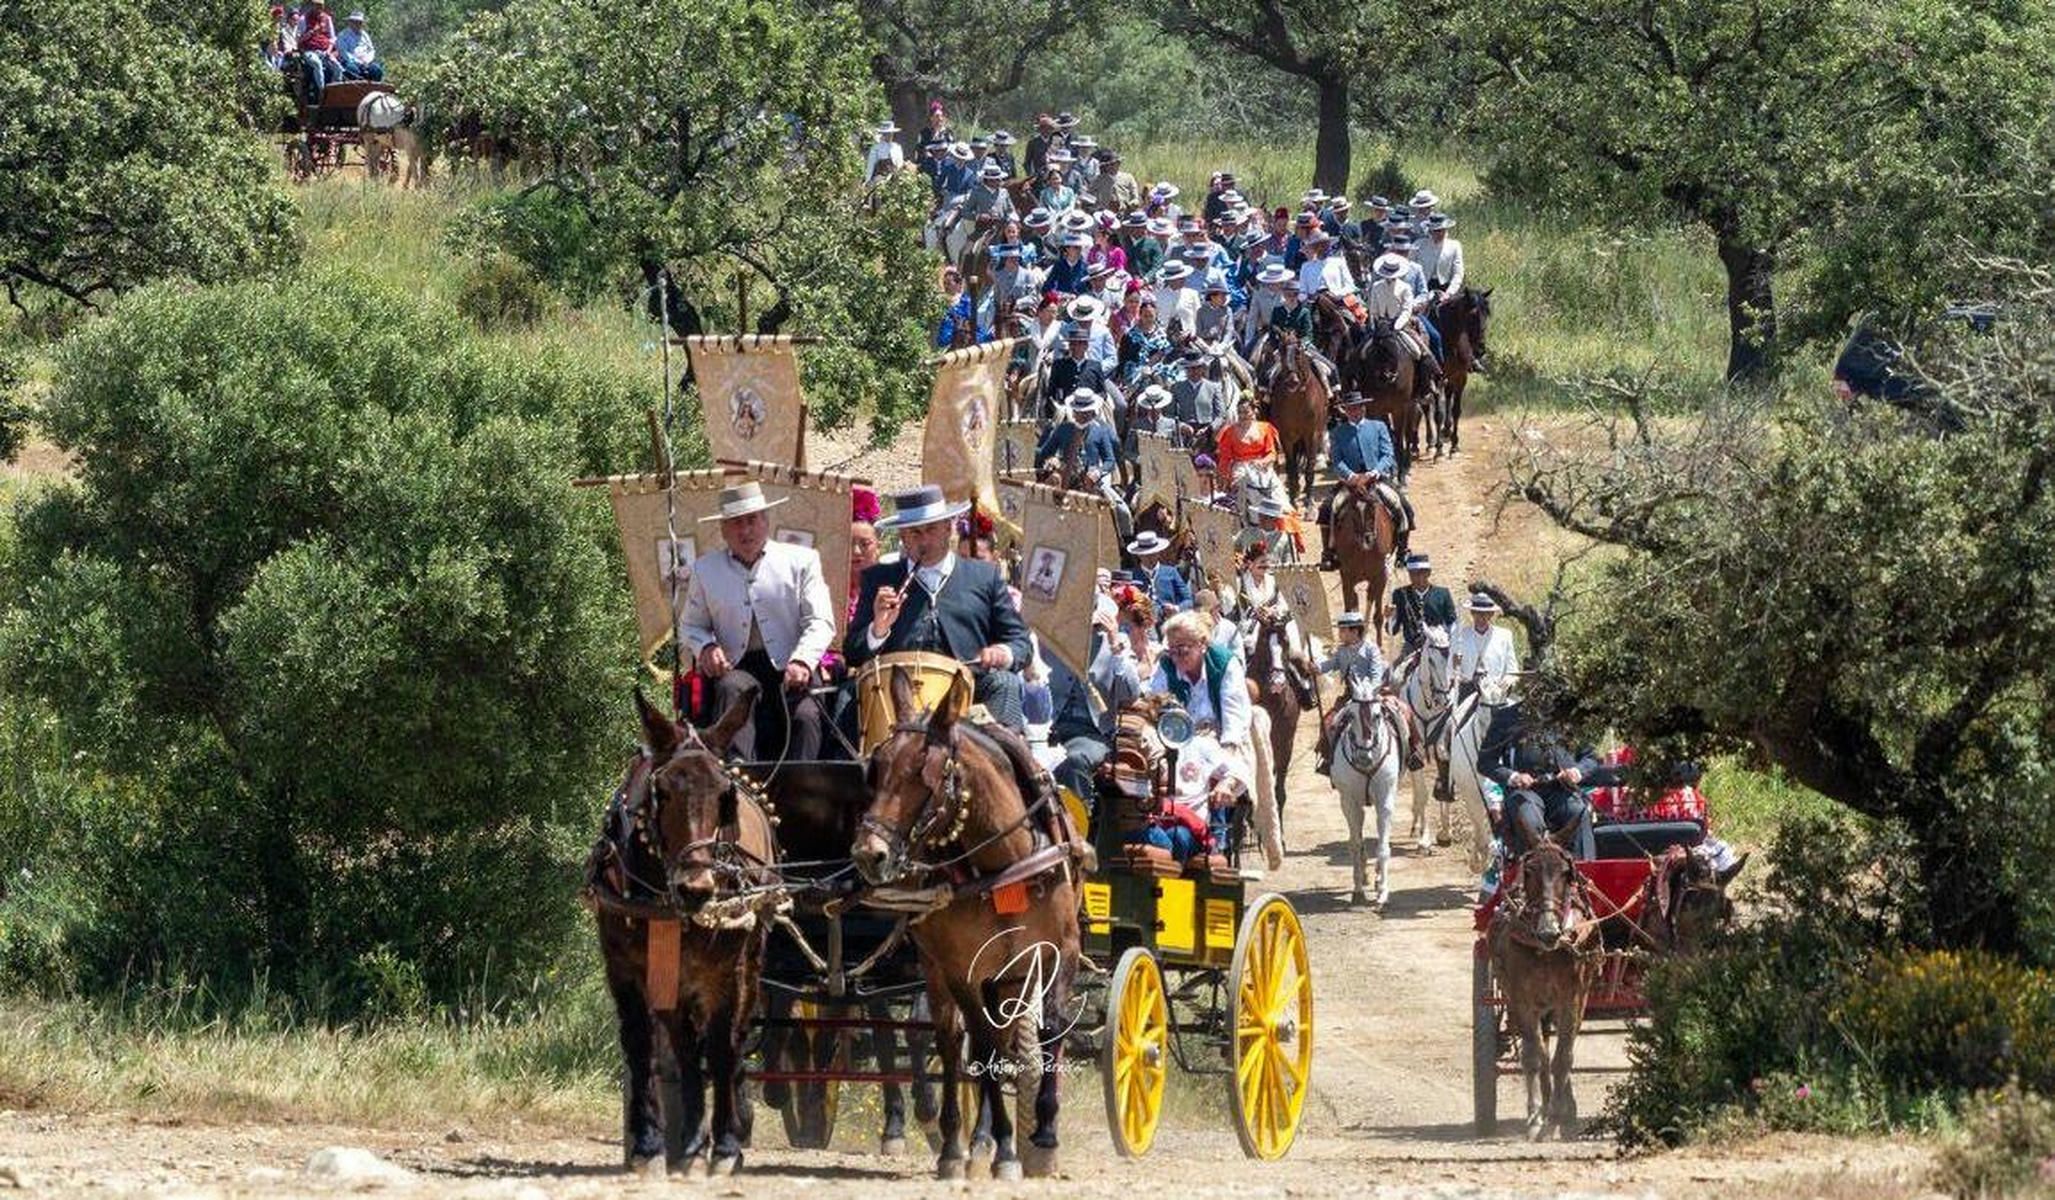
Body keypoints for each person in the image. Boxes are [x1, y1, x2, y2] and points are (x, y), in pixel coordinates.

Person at [846, 485, 1032, 730]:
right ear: (902, 536)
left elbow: (1021, 643)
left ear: (948, 528)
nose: (924, 540)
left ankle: (1010, 763)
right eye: (914, 532)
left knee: (1005, 683)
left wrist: (1003, 653)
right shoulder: (880, 578)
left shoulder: (984, 577)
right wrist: (878, 630)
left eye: (931, 529)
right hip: (895, 691)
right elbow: (853, 653)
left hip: (969, 686)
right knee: (846, 697)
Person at [678, 483, 835, 762]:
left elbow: (820, 621)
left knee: (805, 715)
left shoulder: (802, 561)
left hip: (792, 664)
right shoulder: (705, 570)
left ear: (766, 521)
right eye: (736, 523)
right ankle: (741, 778)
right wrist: (705, 647)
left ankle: (802, 786)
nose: (745, 530)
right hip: (738, 667)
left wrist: (802, 660)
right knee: (731, 692)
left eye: (752, 520)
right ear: (723, 530)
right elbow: (690, 625)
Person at [1148, 611, 1257, 856]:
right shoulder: (1166, 664)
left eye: (1184, 649)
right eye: (1172, 649)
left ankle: (1217, 838)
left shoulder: (1224, 663)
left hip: (1220, 735)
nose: (1177, 656)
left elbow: (1235, 713)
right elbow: (1153, 701)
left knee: (1217, 770)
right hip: (1175, 736)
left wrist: (1226, 752)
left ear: (1203, 644)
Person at [1479, 703, 1599, 861]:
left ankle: (1584, 873)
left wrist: (1576, 772)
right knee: (1528, 820)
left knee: (1578, 813)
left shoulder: (1572, 714)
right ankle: (1532, 877)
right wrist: (1513, 776)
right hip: (1525, 792)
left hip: (1561, 789)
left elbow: (1590, 758)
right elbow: (1485, 761)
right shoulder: (1506, 717)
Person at [1318, 392, 1406, 568]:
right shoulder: (1338, 432)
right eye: (1350, 409)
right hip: (1350, 481)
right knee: (1328, 508)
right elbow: (1337, 460)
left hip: (1376, 479)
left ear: (1363, 408)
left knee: (1402, 504)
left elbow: (1387, 454)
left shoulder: (1379, 426)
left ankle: (1403, 550)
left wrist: (1374, 472)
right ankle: (1328, 553)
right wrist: (1351, 476)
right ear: (1346, 411)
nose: (1354, 411)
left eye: (1357, 407)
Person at [1313, 612, 1389, 774]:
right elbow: (1331, 664)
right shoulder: (1342, 651)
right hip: (1349, 696)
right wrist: (1316, 668)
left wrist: (1368, 692)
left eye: (1343, 630)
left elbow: (1377, 675)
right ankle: (1328, 758)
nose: (1340, 634)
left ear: (1354, 632)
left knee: (1401, 713)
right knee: (1328, 722)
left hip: (1372, 696)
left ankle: (1412, 751)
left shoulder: (1371, 649)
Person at [1451, 592, 1519, 701]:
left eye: (1486, 613)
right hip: (1467, 693)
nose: (1481, 617)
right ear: (1472, 613)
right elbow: (1451, 668)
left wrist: (1508, 680)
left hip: (1496, 693)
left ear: (1491, 614)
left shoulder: (1504, 636)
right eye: (1477, 613)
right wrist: (1457, 675)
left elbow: (1513, 670)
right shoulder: (1460, 636)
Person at [1389, 552, 1458, 657]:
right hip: (1411, 648)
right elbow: (1393, 630)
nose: (1418, 577)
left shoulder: (1442, 593)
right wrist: (1391, 617)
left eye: (1421, 573)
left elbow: (1452, 623)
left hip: (1439, 646)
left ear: (1428, 573)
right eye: (1413, 574)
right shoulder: (1400, 594)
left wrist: (1452, 644)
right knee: (1396, 673)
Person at [1213, 394, 1278, 491]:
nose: (1242, 416)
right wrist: (1222, 477)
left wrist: (1263, 461)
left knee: (1276, 492)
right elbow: (1225, 458)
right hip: (1241, 468)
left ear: (1254, 412)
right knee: (1244, 488)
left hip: (1261, 466)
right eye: (1240, 412)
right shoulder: (1229, 432)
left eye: (1246, 412)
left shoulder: (1266, 428)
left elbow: (1272, 453)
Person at [1043, 322, 1107, 415]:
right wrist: (1055, 407)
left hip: (1091, 408)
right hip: (1066, 408)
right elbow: (1051, 391)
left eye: (1081, 343)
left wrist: (1096, 403)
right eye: (1073, 343)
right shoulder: (1059, 365)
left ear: (1086, 346)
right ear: (1069, 346)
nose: (1076, 347)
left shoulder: (1095, 366)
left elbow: (1102, 391)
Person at [1129, 531, 1191, 616]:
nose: (1150, 558)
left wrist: (1177, 608)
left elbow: (1188, 600)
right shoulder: (1131, 576)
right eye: (1145, 555)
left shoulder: (1171, 572)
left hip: (1168, 623)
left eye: (1153, 554)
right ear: (1139, 555)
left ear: (1158, 553)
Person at [294, 0, 342, 104]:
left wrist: (329, 51)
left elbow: (333, 38)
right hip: (309, 50)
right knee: (317, 64)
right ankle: (322, 92)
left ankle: (334, 92)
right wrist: (311, 33)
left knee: (338, 67)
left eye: (320, 6)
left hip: (325, 51)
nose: (318, 8)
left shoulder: (327, 19)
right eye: (316, 5)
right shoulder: (304, 19)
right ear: (312, 6)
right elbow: (298, 40)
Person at [1419, 213, 1465, 297]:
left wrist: (1449, 292)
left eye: (1442, 230)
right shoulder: (1420, 245)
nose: (1439, 234)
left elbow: (1458, 273)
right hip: (1423, 287)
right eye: (1436, 231)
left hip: (1446, 287)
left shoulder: (1455, 246)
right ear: (1430, 231)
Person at [335, 10, 382, 81]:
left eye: (360, 22)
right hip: (350, 62)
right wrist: (359, 62)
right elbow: (344, 53)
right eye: (355, 21)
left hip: (367, 62)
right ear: (350, 22)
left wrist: (367, 60)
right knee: (351, 70)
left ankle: (374, 89)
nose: (358, 24)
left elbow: (371, 50)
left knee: (377, 69)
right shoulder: (342, 35)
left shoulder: (365, 35)